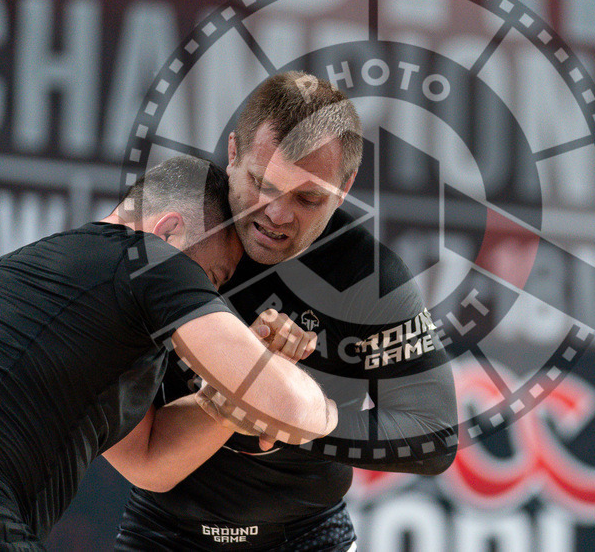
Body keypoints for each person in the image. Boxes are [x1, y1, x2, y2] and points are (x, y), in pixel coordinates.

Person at [0, 156, 337, 550]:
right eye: (211, 278)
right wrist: (327, 406)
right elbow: (290, 407)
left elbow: (150, 461)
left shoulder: (65, 278)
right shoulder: (149, 260)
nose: (208, 294)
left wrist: (235, 399)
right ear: (169, 231)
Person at [115, 72, 458, 551]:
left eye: (308, 197)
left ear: (345, 188)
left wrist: (295, 415)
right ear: (232, 154)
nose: (276, 214)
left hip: (308, 535)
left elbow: (433, 435)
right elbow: (131, 442)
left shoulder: (366, 273)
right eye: (262, 183)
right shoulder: (174, 227)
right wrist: (244, 389)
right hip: (165, 530)